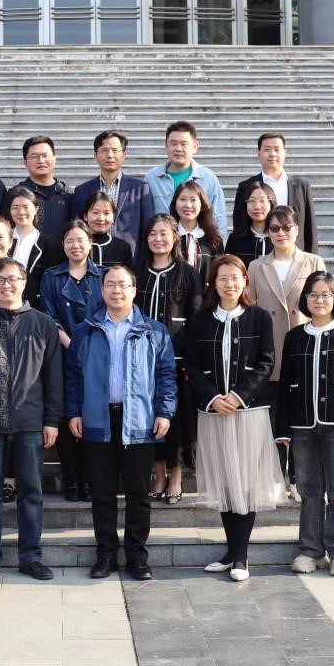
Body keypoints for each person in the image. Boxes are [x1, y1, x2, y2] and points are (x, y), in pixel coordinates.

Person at [66, 264, 177, 581]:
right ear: (102, 290)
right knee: (102, 494)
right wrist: (74, 412)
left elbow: (166, 376)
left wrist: (164, 412)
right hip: (97, 420)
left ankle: (137, 559)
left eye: (122, 285)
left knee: (138, 495)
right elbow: (72, 375)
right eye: (110, 284)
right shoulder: (86, 330)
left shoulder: (154, 331)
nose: (116, 290)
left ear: (134, 289)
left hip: (139, 421)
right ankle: (106, 556)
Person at [0, 257, 64, 582]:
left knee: (31, 492)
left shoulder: (44, 324)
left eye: (13, 279)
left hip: (31, 423)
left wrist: (52, 420)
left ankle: (31, 557)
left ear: (24, 282)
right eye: (0, 280)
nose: (7, 285)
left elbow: (54, 378)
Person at [184, 255, 282, 581]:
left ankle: (241, 556)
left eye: (235, 278)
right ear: (213, 283)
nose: (229, 284)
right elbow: (192, 365)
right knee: (226, 483)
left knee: (247, 483)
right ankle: (230, 552)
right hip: (213, 413)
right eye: (223, 278)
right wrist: (213, 398)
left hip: (249, 412)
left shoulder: (259, 318)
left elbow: (266, 362)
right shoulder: (201, 320)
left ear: (245, 282)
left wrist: (239, 396)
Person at [277, 271, 334, 578]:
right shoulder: (294, 337)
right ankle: (310, 550)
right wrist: (283, 429)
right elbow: (285, 385)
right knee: (309, 490)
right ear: (305, 299)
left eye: (325, 295)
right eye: (313, 295)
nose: (319, 300)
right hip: (303, 425)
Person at [247, 205, 325, 501]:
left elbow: (324, 302)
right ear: (267, 233)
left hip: (303, 349)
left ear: (296, 229)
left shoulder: (313, 261)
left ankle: (299, 479)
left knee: (300, 418)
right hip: (269, 351)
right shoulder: (257, 266)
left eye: (286, 227)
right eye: (274, 228)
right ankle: (275, 477)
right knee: (272, 419)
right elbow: (251, 310)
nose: (281, 233)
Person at [135, 214, 203, 505]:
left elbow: (196, 319)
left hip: (175, 360)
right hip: (140, 360)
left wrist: (189, 361)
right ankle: (159, 473)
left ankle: (176, 475)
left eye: (164, 233)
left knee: (175, 419)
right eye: (153, 233)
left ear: (175, 237)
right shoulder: (138, 271)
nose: (158, 239)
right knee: (149, 417)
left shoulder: (187, 273)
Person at [38, 219, 103, 502]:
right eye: (69, 241)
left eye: (81, 240)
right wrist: (71, 344)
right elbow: (47, 315)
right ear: (63, 245)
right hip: (62, 353)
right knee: (66, 417)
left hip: (97, 355)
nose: (75, 245)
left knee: (92, 415)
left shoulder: (103, 276)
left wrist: (89, 346)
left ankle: (89, 480)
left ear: (90, 243)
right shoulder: (51, 276)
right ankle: (71, 480)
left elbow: (108, 313)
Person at [71, 130, 156, 255]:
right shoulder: (82, 191)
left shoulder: (140, 189)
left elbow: (148, 228)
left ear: (124, 155)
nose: (110, 155)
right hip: (92, 257)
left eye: (115, 150)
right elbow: (76, 228)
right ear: (95, 155)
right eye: (104, 150)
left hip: (129, 258)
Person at [234, 132, 317, 254]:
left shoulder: (301, 186)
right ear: (258, 153)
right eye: (267, 149)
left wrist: (313, 258)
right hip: (258, 254)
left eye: (277, 149)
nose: (272, 154)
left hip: (296, 256)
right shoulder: (246, 186)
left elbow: (310, 227)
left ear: (285, 153)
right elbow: (239, 224)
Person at [144, 121, 229, 236]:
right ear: (166, 146)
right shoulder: (152, 178)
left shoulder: (208, 178)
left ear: (195, 147)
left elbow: (219, 217)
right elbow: (145, 217)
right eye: (173, 144)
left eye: (184, 144)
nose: (178, 149)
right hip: (162, 243)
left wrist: (220, 243)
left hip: (198, 243)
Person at [7, 186, 62, 305]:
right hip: (4, 300)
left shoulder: (47, 244)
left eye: (26, 207)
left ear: (36, 209)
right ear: (10, 210)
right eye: (15, 207)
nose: (21, 212)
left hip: (35, 305)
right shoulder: (3, 239)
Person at [12, 136, 73, 242]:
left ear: (54, 160)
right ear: (25, 163)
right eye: (34, 156)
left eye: (45, 155)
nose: (41, 161)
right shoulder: (15, 195)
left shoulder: (68, 194)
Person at [171, 179, 223, 276]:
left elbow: (218, 274)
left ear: (202, 206)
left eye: (193, 200)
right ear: (175, 205)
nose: (188, 205)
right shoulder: (168, 237)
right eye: (183, 199)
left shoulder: (214, 240)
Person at [224, 180, 276, 264]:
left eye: (262, 200)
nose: (257, 206)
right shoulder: (235, 239)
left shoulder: (279, 237)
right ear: (246, 204)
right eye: (252, 201)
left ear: (271, 203)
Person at [79, 190, 134, 266]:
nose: (101, 218)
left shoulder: (123, 247)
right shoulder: (77, 246)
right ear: (85, 216)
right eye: (95, 212)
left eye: (106, 213)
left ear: (113, 217)